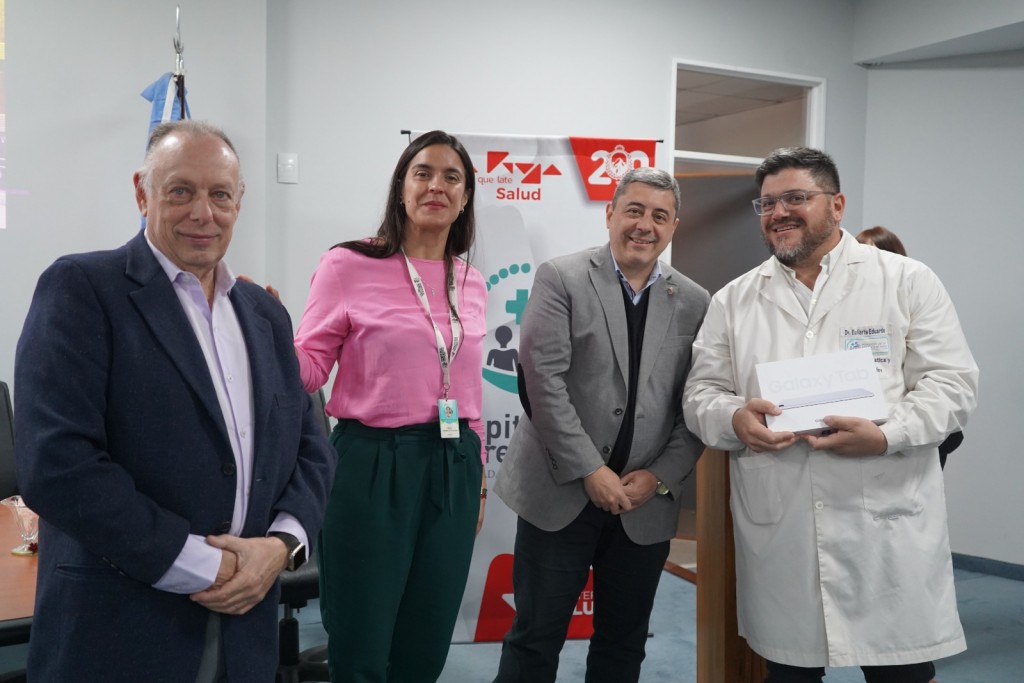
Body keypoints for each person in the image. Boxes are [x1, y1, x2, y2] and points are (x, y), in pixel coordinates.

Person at [13, 120, 336, 682]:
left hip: (247, 632)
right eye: (181, 191)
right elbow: (57, 465)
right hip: (121, 630)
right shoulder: (82, 289)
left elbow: (310, 448)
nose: (202, 213)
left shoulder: (265, 313)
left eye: (220, 194)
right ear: (143, 192)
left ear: (239, 201)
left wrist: (281, 546)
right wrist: (207, 566)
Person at [683, 147, 978, 683]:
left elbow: (953, 384)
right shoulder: (734, 300)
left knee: (901, 674)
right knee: (790, 672)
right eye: (767, 203)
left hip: (885, 523)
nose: (779, 213)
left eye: (796, 197)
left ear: (837, 205)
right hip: (784, 525)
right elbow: (701, 392)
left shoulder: (906, 281)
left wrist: (887, 435)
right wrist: (733, 419)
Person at [492, 167, 711, 683]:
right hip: (560, 492)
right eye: (633, 210)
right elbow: (541, 382)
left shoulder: (696, 301)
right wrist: (591, 469)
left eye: (659, 216)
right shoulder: (561, 277)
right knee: (535, 639)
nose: (644, 225)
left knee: (624, 643)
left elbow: (697, 402)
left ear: (674, 226)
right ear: (610, 213)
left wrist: (659, 476)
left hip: (644, 503)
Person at [293, 130, 487, 682]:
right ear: (401, 187)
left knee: (427, 640)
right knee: (361, 641)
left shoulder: (471, 280)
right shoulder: (347, 264)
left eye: (452, 177)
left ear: (465, 197)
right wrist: (266, 338)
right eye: (423, 173)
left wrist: (476, 480)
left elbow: (468, 393)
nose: (436, 186)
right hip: (372, 462)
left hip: (453, 463)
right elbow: (311, 367)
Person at [856, 226, 963, 469]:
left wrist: (892, 433)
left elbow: (946, 381)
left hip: (912, 432)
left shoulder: (914, 290)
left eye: (875, 252)